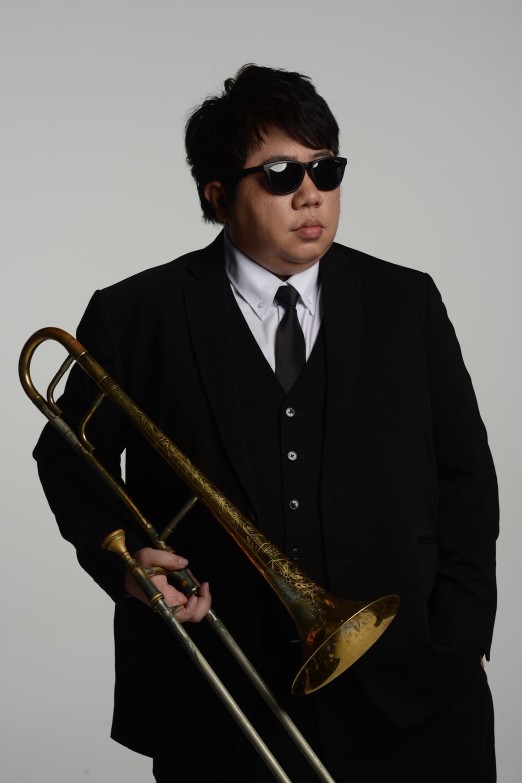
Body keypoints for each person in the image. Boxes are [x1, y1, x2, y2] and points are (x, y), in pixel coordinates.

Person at [33, 64, 498, 782]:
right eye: (281, 174)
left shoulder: (408, 301)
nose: (311, 194)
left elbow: (466, 478)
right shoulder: (135, 314)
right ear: (218, 195)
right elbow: (67, 459)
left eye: (326, 169)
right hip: (218, 703)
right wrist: (122, 558)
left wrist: (462, 632)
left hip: (413, 690)